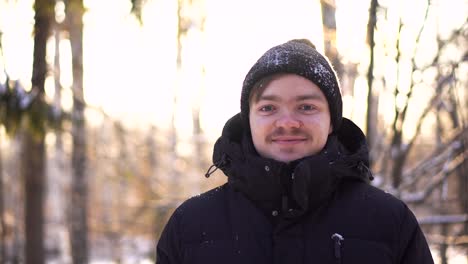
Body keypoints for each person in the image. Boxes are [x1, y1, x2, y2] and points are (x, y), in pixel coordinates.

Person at [156, 39, 434, 263]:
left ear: (331, 121)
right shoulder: (190, 225)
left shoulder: (389, 221)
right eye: (268, 108)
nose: (287, 122)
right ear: (249, 120)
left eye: (306, 106)